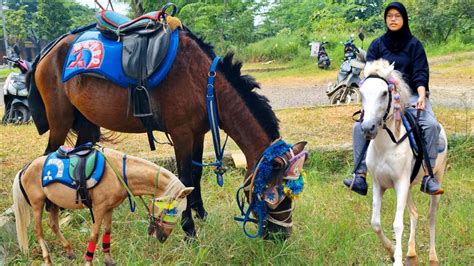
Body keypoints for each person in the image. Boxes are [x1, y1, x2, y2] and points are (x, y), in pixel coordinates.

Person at [343, 2, 444, 195]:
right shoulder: (377, 45)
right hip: (385, 99)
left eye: (397, 16)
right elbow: (369, 74)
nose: (393, 19)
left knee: (430, 125)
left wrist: (422, 95)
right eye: (390, 16)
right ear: (385, 19)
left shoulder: (414, 45)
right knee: (359, 127)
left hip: (413, 96)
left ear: (404, 19)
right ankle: (360, 175)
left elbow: (420, 73)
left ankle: (428, 176)